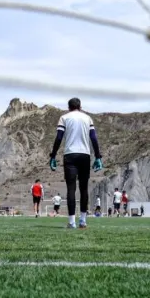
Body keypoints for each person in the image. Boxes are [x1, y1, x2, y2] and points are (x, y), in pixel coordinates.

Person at [48, 97, 103, 229]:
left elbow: (59, 137)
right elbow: (93, 138)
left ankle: (72, 222)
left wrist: (53, 155)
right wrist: (98, 156)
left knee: (71, 189)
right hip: (85, 155)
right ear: (80, 106)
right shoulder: (87, 118)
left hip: (70, 155)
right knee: (84, 189)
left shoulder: (64, 118)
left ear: (69, 107)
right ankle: (83, 221)